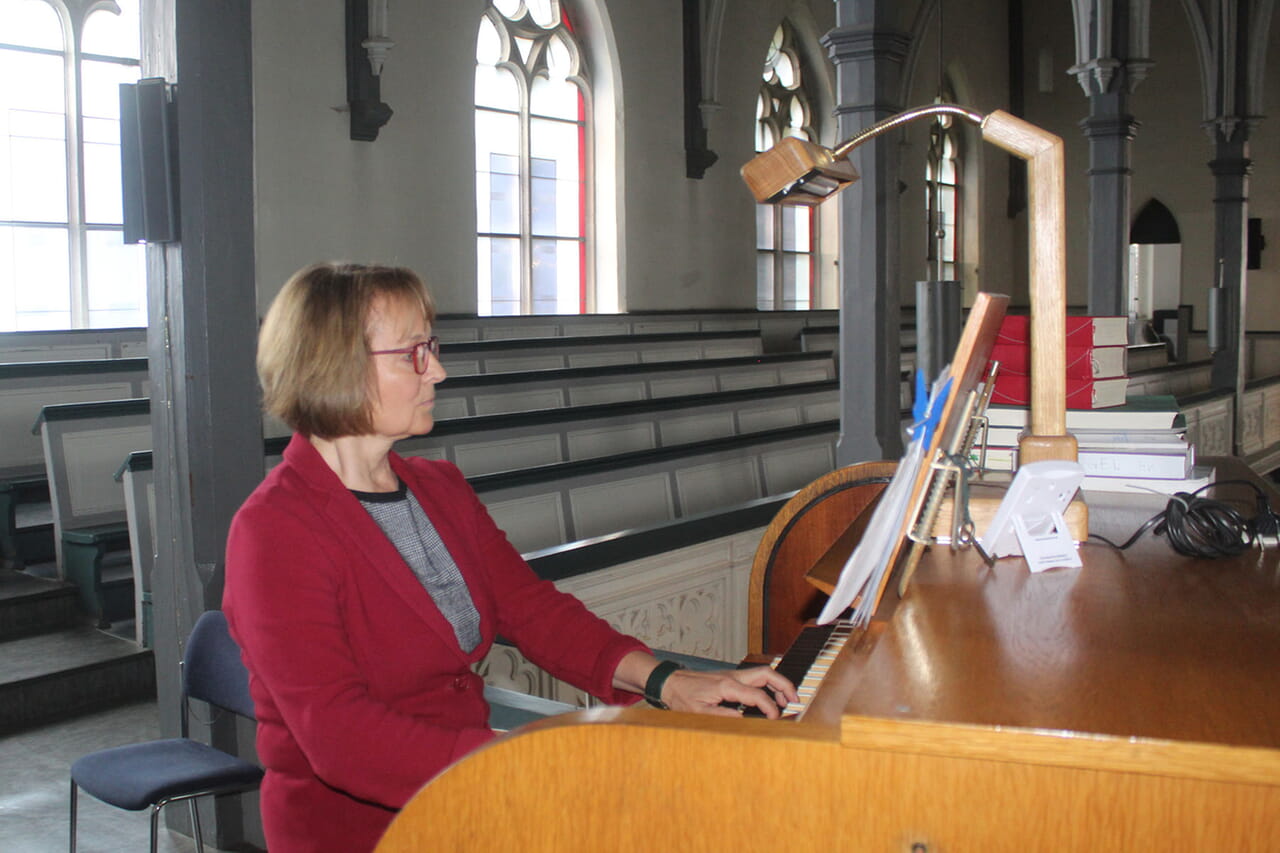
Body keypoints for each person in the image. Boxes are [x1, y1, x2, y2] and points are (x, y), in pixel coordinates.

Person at [223, 262, 797, 853]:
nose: (437, 372)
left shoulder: (438, 488)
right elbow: (341, 736)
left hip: (468, 796)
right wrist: (530, 760)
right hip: (366, 830)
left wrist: (667, 682)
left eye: (433, 348)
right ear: (337, 368)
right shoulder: (275, 532)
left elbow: (532, 610)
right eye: (413, 355)